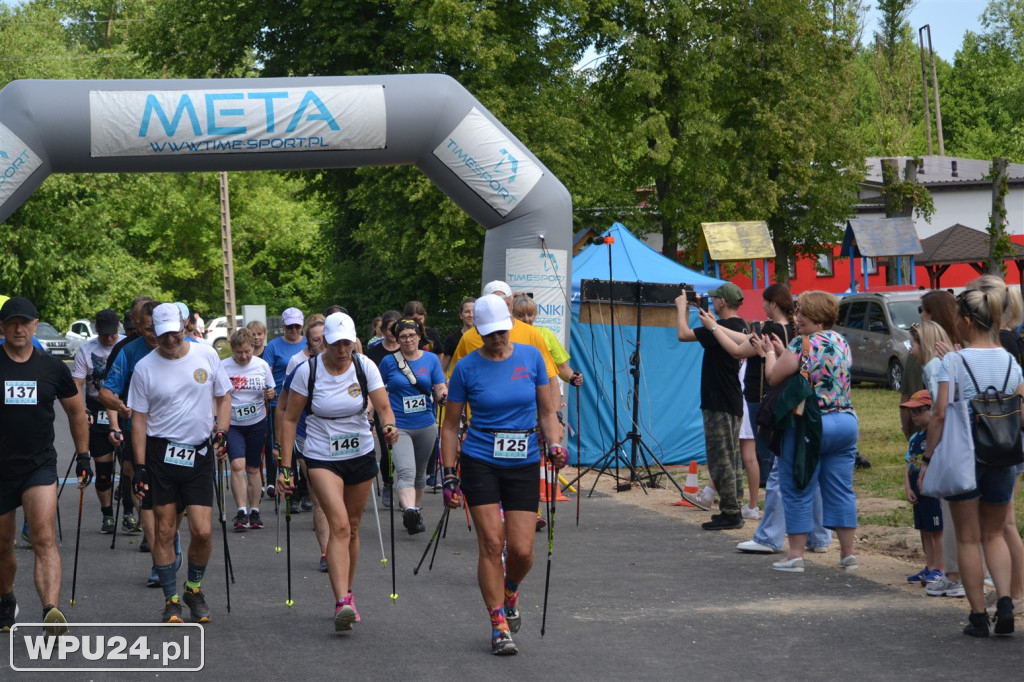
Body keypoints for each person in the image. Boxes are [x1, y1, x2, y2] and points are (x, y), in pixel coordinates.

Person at [441, 295, 565, 656]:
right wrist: (450, 473)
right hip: (481, 458)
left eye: (502, 331)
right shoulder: (465, 368)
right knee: (492, 545)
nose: (498, 339)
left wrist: (554, 444)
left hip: (524, 459)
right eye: (490, 333)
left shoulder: (531, 358)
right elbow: (450, 426)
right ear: (478, 331)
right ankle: (497, 623)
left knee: (523, 551)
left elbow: (547, 411)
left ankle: (510, 588)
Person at [277, 312, 399, 632]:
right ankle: (341, 601)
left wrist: (389, 426)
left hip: (359, 451)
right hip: (320, 453)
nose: (343, 349)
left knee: (354, 527)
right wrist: (285, 467)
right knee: (340, 524)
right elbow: (289, 419)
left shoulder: (364, 366)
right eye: (336, 343)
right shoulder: (309, 371)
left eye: (348, 343)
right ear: (325, 343)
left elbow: (384, 407)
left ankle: (348, 591)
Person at [690, 286, 831, 554]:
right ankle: (819, 536)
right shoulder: (830, 340)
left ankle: (768, 535)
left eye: (803, 312)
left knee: (776, 470)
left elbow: (746, 355)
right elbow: (744, 340)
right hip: (818, 411)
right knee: (808, 469)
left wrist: (715, 329)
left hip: (777, 403)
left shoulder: (788, 337)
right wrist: (716, 327)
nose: (798, 316)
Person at [918, 289, 1021, 636]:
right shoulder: (1009, 359)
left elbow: (940, 414)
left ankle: (978, 616)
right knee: (994, 533)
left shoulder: (954, 361)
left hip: (965, 455)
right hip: (1002, 454)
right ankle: (1005, 601)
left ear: (964, 321)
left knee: (967, 537)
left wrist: (927, 459)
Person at [128, 303, 231, 624]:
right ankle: (171, 599)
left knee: (202, 531)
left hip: (199, 454)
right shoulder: (145, 368)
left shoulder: (206, 356)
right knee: (164, 530)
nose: (169, 340)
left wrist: (223, 431)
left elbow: (224, 396)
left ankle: (194, 589)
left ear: (185, 326)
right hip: (160, 457)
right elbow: (139, 421)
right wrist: (140, 466)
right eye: (162, 336)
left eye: (174, 333)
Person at [0, 296, 92, 635]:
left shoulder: (51, 367)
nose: (19, 328)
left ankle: (50, 610)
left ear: (35, 324)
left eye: (24, 322)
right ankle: (6, 598)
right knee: (3, 544)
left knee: (43, 536)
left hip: (39, 465)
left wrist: (83, 455)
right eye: (12, 322)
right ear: (2, 327)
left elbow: (76, 411)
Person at [763, 290, 859, 574]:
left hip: (811, 424)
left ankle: (795, 555)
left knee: (798, 485)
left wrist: (769, 354)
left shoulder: (801, 344)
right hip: (845, 421)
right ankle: (848, 554)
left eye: (803, 312)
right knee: (841, 489)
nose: (798, 317)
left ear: (817, 317)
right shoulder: (842, 341)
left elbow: (773, 377)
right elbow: (822, 372)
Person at [674, 282, 748, 530]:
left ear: (722, 303)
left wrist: (682, 308)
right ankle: (734, 505)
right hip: (733, 400)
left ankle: (729, 512)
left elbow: (683, 334)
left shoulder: (722, 328)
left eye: (715, 298)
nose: (712, 301)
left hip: (718, 401)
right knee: (732, 457)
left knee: (720, 458)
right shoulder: (739, 326)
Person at [378, 318, 447, 534]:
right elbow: (377, 391)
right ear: (397, 339)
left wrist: (443, 395)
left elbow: (439, 386)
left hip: (426, 424)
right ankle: (408, 508)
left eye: (411, 335)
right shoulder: (389, 362)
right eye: (403, 336)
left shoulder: (431, 359)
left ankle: (415, 512)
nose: (408, 340)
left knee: (420, 473)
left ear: (419, 336)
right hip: (400, 426)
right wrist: (370, 416)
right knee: (406, 471)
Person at [71, 308, 124, 533]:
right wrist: (81, 410)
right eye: (104, 334)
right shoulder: (86, 350)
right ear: (96, 330)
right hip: (96, 409)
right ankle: (107, 515)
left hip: (124, 408)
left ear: (119, 327)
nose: (110, 338)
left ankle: (129, 512)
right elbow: (77, 385)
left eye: (113, 333)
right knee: (103, 471)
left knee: (130, 467)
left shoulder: (125, 346)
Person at [222, 327, 275, 531]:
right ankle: (241, 511)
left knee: (253, 468)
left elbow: (271, 391)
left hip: (257, 422)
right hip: (234, 423)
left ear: (253, 348)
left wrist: (270, 394)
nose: (243, 356)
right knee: (237, 465)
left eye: (247, 352)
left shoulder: (261, 366)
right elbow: (217, 395)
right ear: (232, 350)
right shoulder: (223, 366)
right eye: (238, 352)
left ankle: (255, 511)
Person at [900, 390, 945, 585]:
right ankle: (930, 565)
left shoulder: (938, 436)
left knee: (937, 530)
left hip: (933, 491)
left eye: (919, 410)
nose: (915, 416)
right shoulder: (914, 438)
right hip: (918, 492)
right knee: (925, 530)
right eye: (912, 412)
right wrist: (908, 487)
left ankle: (940, 567)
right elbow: (909, 463)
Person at [262, 308, 307, 498]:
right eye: (290, 326)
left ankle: (306, 490)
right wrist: (269, 390)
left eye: (297, 326)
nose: (294, 330)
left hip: (304, 403)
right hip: (281, 402)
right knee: (286, 447)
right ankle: (292, 489)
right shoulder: (273, 346)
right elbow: (266, 371)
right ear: (283, 326)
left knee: (305, 447)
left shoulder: (308, 343)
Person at [365, 310, 402, 507]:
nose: (394, 333)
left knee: (403, 450)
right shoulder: (375, 353)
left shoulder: (407, 349)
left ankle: (407, 486)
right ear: (383, 329)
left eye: (397, 328)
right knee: (388, 450)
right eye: (390, 329)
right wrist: (369, 416)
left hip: (403, 408)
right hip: (382, 408)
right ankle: (388, 483)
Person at [443, 297, 475, 373]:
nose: (471, 315)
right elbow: (443, 368)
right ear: (461, 315)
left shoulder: (486, 337)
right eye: (467, 312)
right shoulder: (452, 340)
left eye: (474, 311)